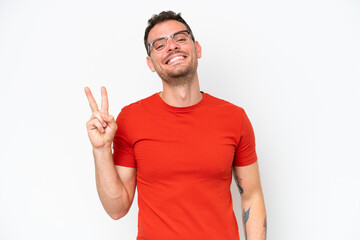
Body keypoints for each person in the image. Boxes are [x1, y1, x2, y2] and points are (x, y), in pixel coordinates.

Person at [85, 11, 266, 240]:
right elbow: (117, 208)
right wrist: (100, 150)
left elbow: (252, 196)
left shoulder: (235, 118)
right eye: (159, 45)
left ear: (197, 48)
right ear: (151, 63)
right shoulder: (131, 119)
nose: (171, 46)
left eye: (180, 38)